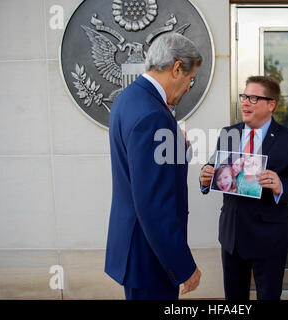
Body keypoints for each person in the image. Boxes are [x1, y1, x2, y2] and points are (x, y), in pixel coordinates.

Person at [199, 75, 288, 300]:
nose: (245, 102)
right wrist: (205, 178)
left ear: (271, 104)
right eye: (244, 96)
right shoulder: (228, 133)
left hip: (270, 236)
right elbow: (214, 168)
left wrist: (281, 185)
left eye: (253, 98)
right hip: (232, 234)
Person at [105, 33, 203, 300]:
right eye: (190, 79)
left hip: (137, 249)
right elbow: (153, 204)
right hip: (150, 258)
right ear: (177, 68)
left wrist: (179, 148)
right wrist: (184, 266)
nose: (187, 88)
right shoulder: (153, 115)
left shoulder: (128, 99)